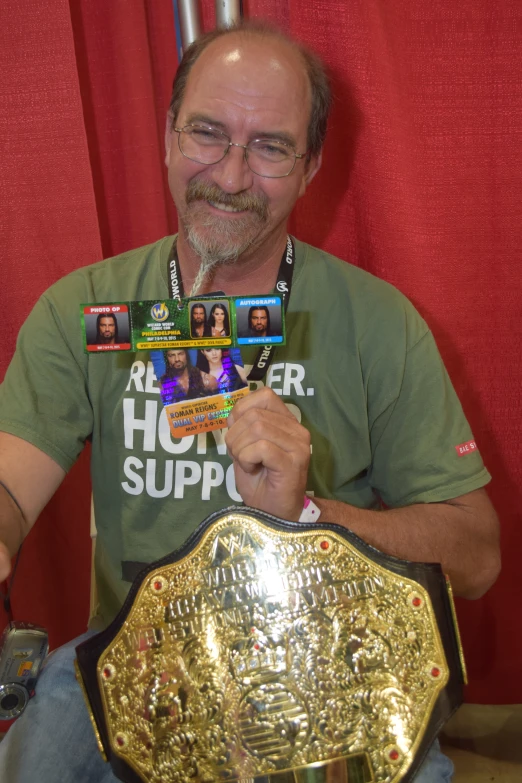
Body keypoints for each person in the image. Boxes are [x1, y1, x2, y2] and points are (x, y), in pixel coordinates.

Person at [0, 20, 500, 783]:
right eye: (207, 133)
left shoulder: (378, 322)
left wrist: (308, 518)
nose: (231, 176)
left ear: (311, 167)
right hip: (137, 656)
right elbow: (9, 487)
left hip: (327, 664)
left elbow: (478, 554)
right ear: (168, 137)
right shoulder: (88, 310)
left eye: (269, 146)